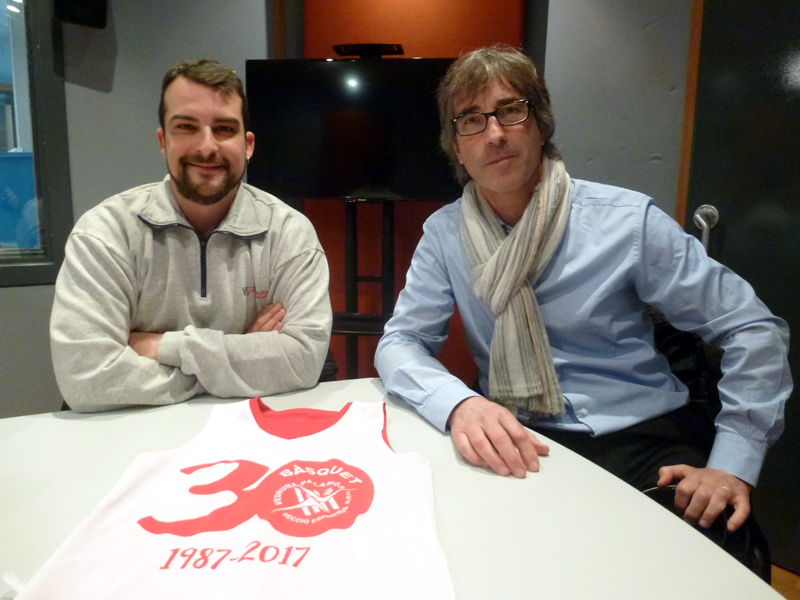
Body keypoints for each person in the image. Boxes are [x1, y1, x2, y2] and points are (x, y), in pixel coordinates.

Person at [375, 45, 791, 533]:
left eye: (510, 110)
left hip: (644, 439)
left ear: (540, 123)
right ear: (457, 148)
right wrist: (460, 403)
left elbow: (753, 329)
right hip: (519, 436)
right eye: (470, 120)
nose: (493, 134)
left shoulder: (628, 222)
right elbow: (401, 342)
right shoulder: (443, 235)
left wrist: (731, 463)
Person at [51, 59, 332, 412]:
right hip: (126, 439)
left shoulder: (289, 234)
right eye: (186, 126)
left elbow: (303, 361)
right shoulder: (106, 233)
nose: (207, 146)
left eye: (224, 128)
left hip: (243, 439)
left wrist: (163, 347)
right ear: (163, 140)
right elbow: (86, 378)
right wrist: (236, 358)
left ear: (248, 145)